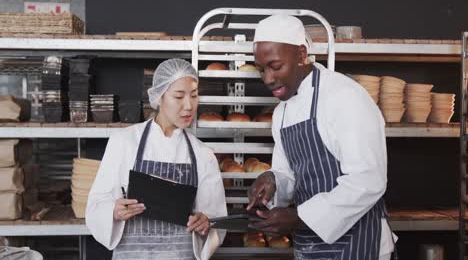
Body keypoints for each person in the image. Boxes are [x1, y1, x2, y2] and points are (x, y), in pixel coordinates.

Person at [247, 15, 396, 260]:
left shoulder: (344, 97)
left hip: (358, 244)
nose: (268, 79)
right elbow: (289, 174)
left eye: (275, 66)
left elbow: (368, 179)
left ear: (302, 54)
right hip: (310, 246)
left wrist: (300, 217)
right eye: (261, 70)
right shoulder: (282, 112)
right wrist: (272, 181)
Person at [86, 58, 227, 260]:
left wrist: (206, 223)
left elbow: (215, 219)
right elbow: (95, 206)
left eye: (194, 96)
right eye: (179, 96)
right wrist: (113, 212)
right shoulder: (124, 142)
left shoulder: (203, 154)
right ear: (159, 97)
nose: (189, 106)